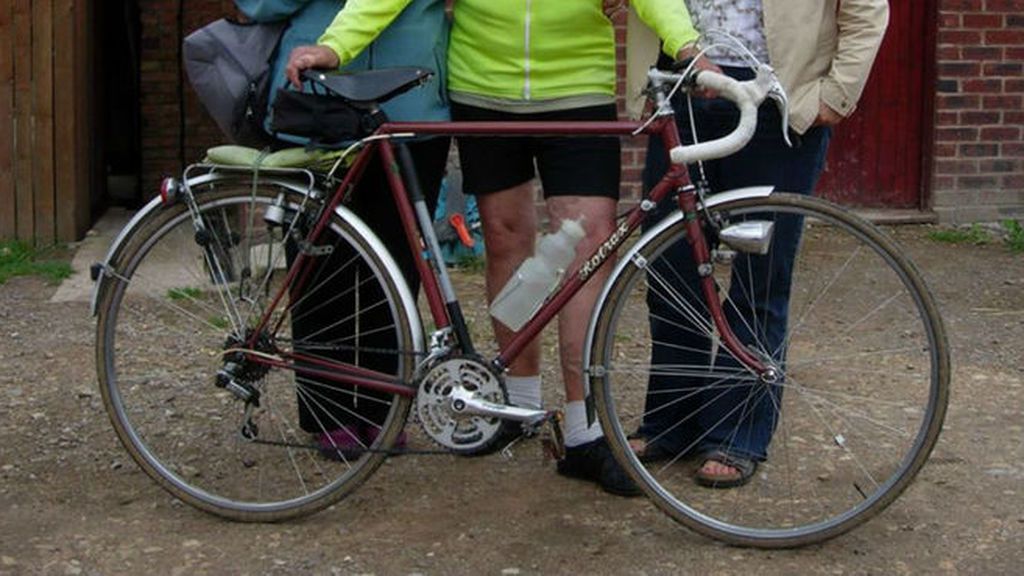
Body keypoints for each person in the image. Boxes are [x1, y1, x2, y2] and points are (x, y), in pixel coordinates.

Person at [442, 0, 703, 496]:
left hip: (577, 88)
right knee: (505, 239)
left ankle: (586, 429)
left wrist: (684, 42)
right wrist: (335, 46)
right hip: (482, 87)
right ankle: (517, 407)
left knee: (587, 250)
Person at [631, 0, 890, 487]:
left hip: (778, 99)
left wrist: (837, 93)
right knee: (672, 269)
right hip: (686, 89)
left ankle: (737, 431)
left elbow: (866, 8)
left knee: (761, 272)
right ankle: (671, 419)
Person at [236, 0, 450, 458]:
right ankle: (326, 412)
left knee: (396, 265)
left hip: (412, 98)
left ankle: (383, 408)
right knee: (317, 266)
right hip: (312, 101)